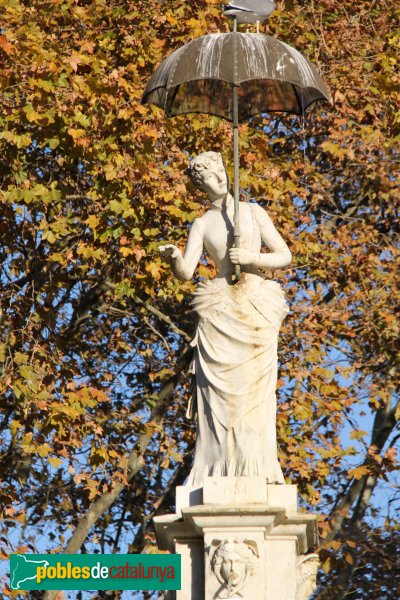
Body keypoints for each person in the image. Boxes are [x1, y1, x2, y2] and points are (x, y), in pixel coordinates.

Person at [160, 151, 291, 487]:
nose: (214, 178)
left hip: (254, 306)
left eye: (217, 171)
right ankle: (216, 466)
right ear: (199, 185)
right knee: (215, 398)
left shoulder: (251, 212)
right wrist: (175, 257)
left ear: (225, 171)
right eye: (205, 176)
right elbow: (187, 272)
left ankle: (257, 465)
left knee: (254, 395)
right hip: (219, 311)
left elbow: (284, 256)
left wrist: (249, 256)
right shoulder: (202, 224)